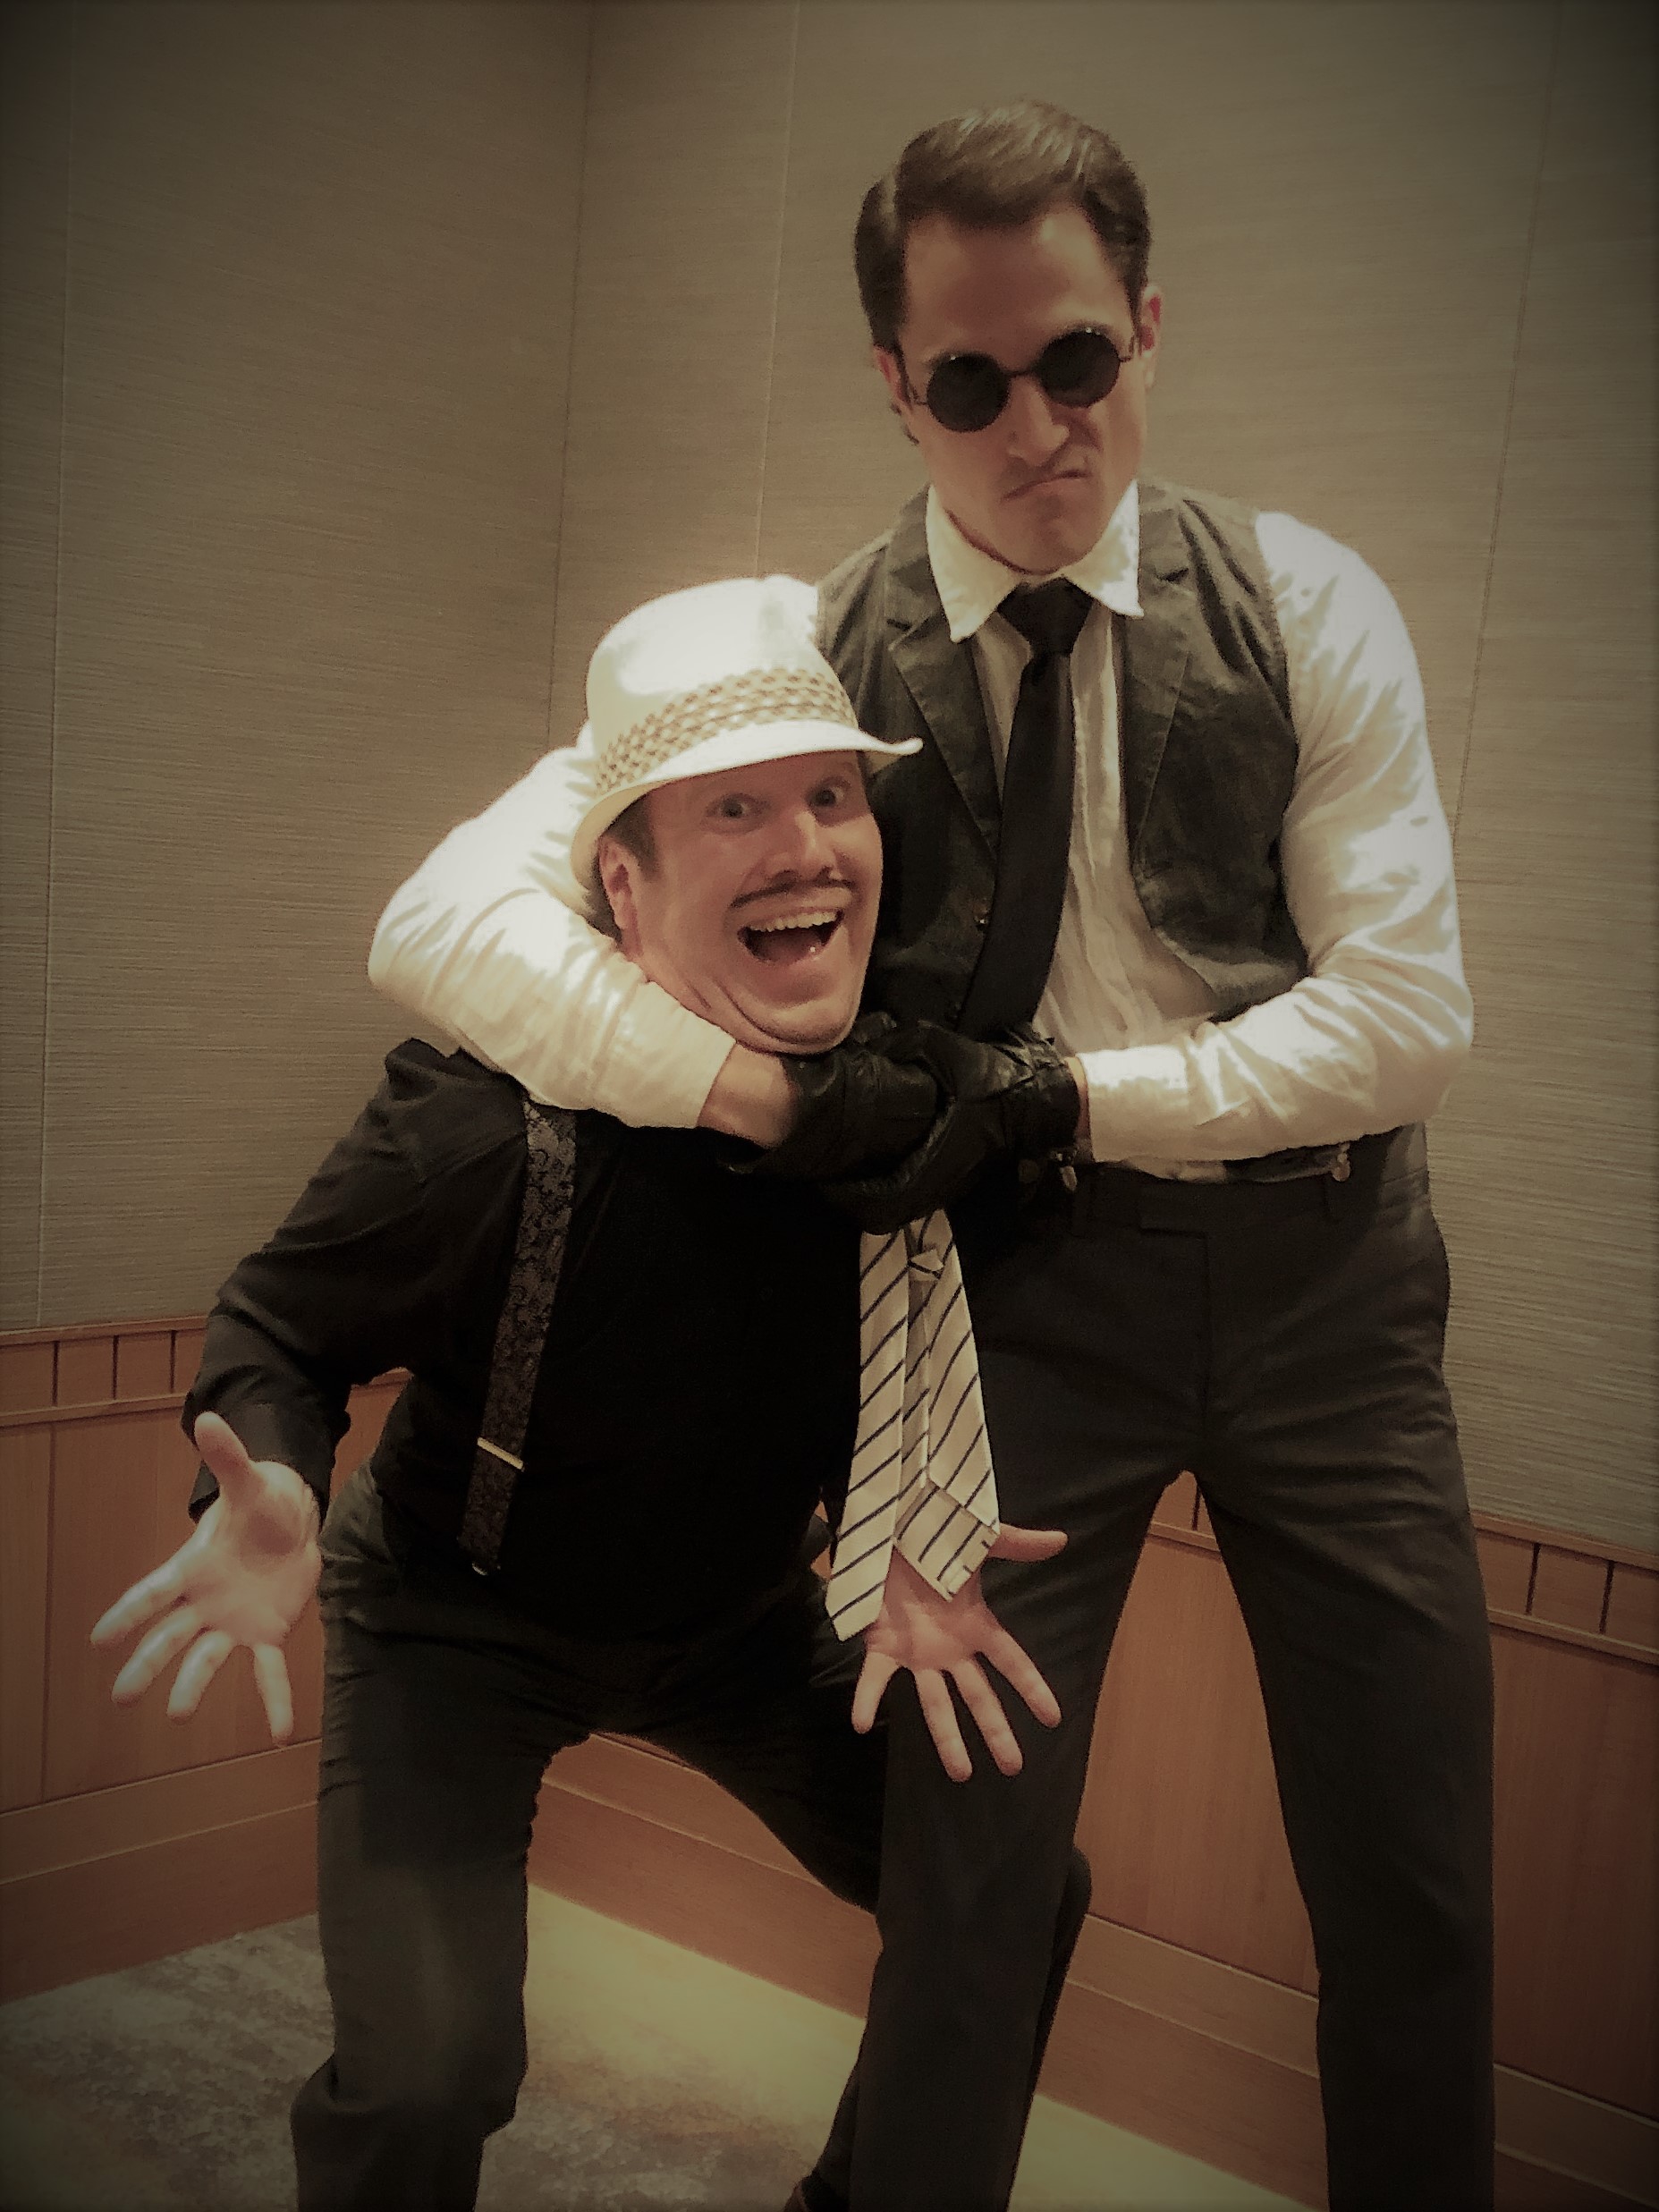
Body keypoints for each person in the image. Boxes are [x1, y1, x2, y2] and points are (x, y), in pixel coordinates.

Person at [368, 98, 1498, 2212]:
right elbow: (438, 920)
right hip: (1021, 1314)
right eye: (969, 382)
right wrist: (775, 1103)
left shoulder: (1307, 602)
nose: (1036, 428)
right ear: (895, 383)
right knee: (969, 1880)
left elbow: (1408, 1021)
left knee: (1410, 1880)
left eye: (1076, 358)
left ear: (1145, 326)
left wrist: (1054, 1091)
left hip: (1330, 1302)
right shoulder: (809, 652)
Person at [89, 574, 1094, 2212]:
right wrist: (264, 1478)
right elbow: (279, 1321)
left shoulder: (900, 1129)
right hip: (455, 1614)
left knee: (1017, 1885)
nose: (803, 845)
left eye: (831, 795)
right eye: (733, 810)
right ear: (621, 888)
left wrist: (909, 1514)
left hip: (740, 1624)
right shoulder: (484, 1122)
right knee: (428, 2072)